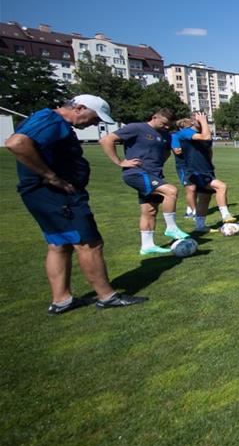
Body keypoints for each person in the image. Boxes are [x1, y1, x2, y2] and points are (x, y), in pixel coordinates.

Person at [7, 95, 146, 313]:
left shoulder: (49, 119)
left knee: (59, 244)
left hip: (45, 195)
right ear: (80, 108)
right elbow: (16, 143)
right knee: (89, 243)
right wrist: (52, 177)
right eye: (95, 118)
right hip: (57, 195)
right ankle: (107, 297)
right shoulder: (52, 120)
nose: (95, 123)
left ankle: (62, 300)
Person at [101, 108, 190, 254]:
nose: (167, 127)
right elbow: (106, 140)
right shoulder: (136, 128)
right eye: (164, 123)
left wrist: (157, 163)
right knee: (171, 191)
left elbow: (167, 151)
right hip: (136, 173)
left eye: (169, 125)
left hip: (154, 174)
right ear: (154, 117)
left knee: (150, 210)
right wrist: (120, 162)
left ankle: (147, 246)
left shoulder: (165, 134)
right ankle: (171, 228)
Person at [175, 111, 236, 232]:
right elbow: (206, 137)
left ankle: (200, 226)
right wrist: (203, 122)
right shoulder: (186, 132)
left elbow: (208, 149)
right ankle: (225, 215)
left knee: (204, 197)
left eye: (205, 119)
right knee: (221, 186)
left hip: (207, 170)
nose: (204, 121)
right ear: (192, 121)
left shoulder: (205, 132)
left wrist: (210, 164)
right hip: (195, 170)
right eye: (200, 119)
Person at [170, 121, 197, 219]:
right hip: (183, 166)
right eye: (188, 128)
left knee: (195, 189)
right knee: (190, 188)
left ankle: (189, 211)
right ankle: (195, 212)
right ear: (181, 129)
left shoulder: (193, 136)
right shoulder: (175, 136)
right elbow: (177, 151)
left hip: (195, 165)